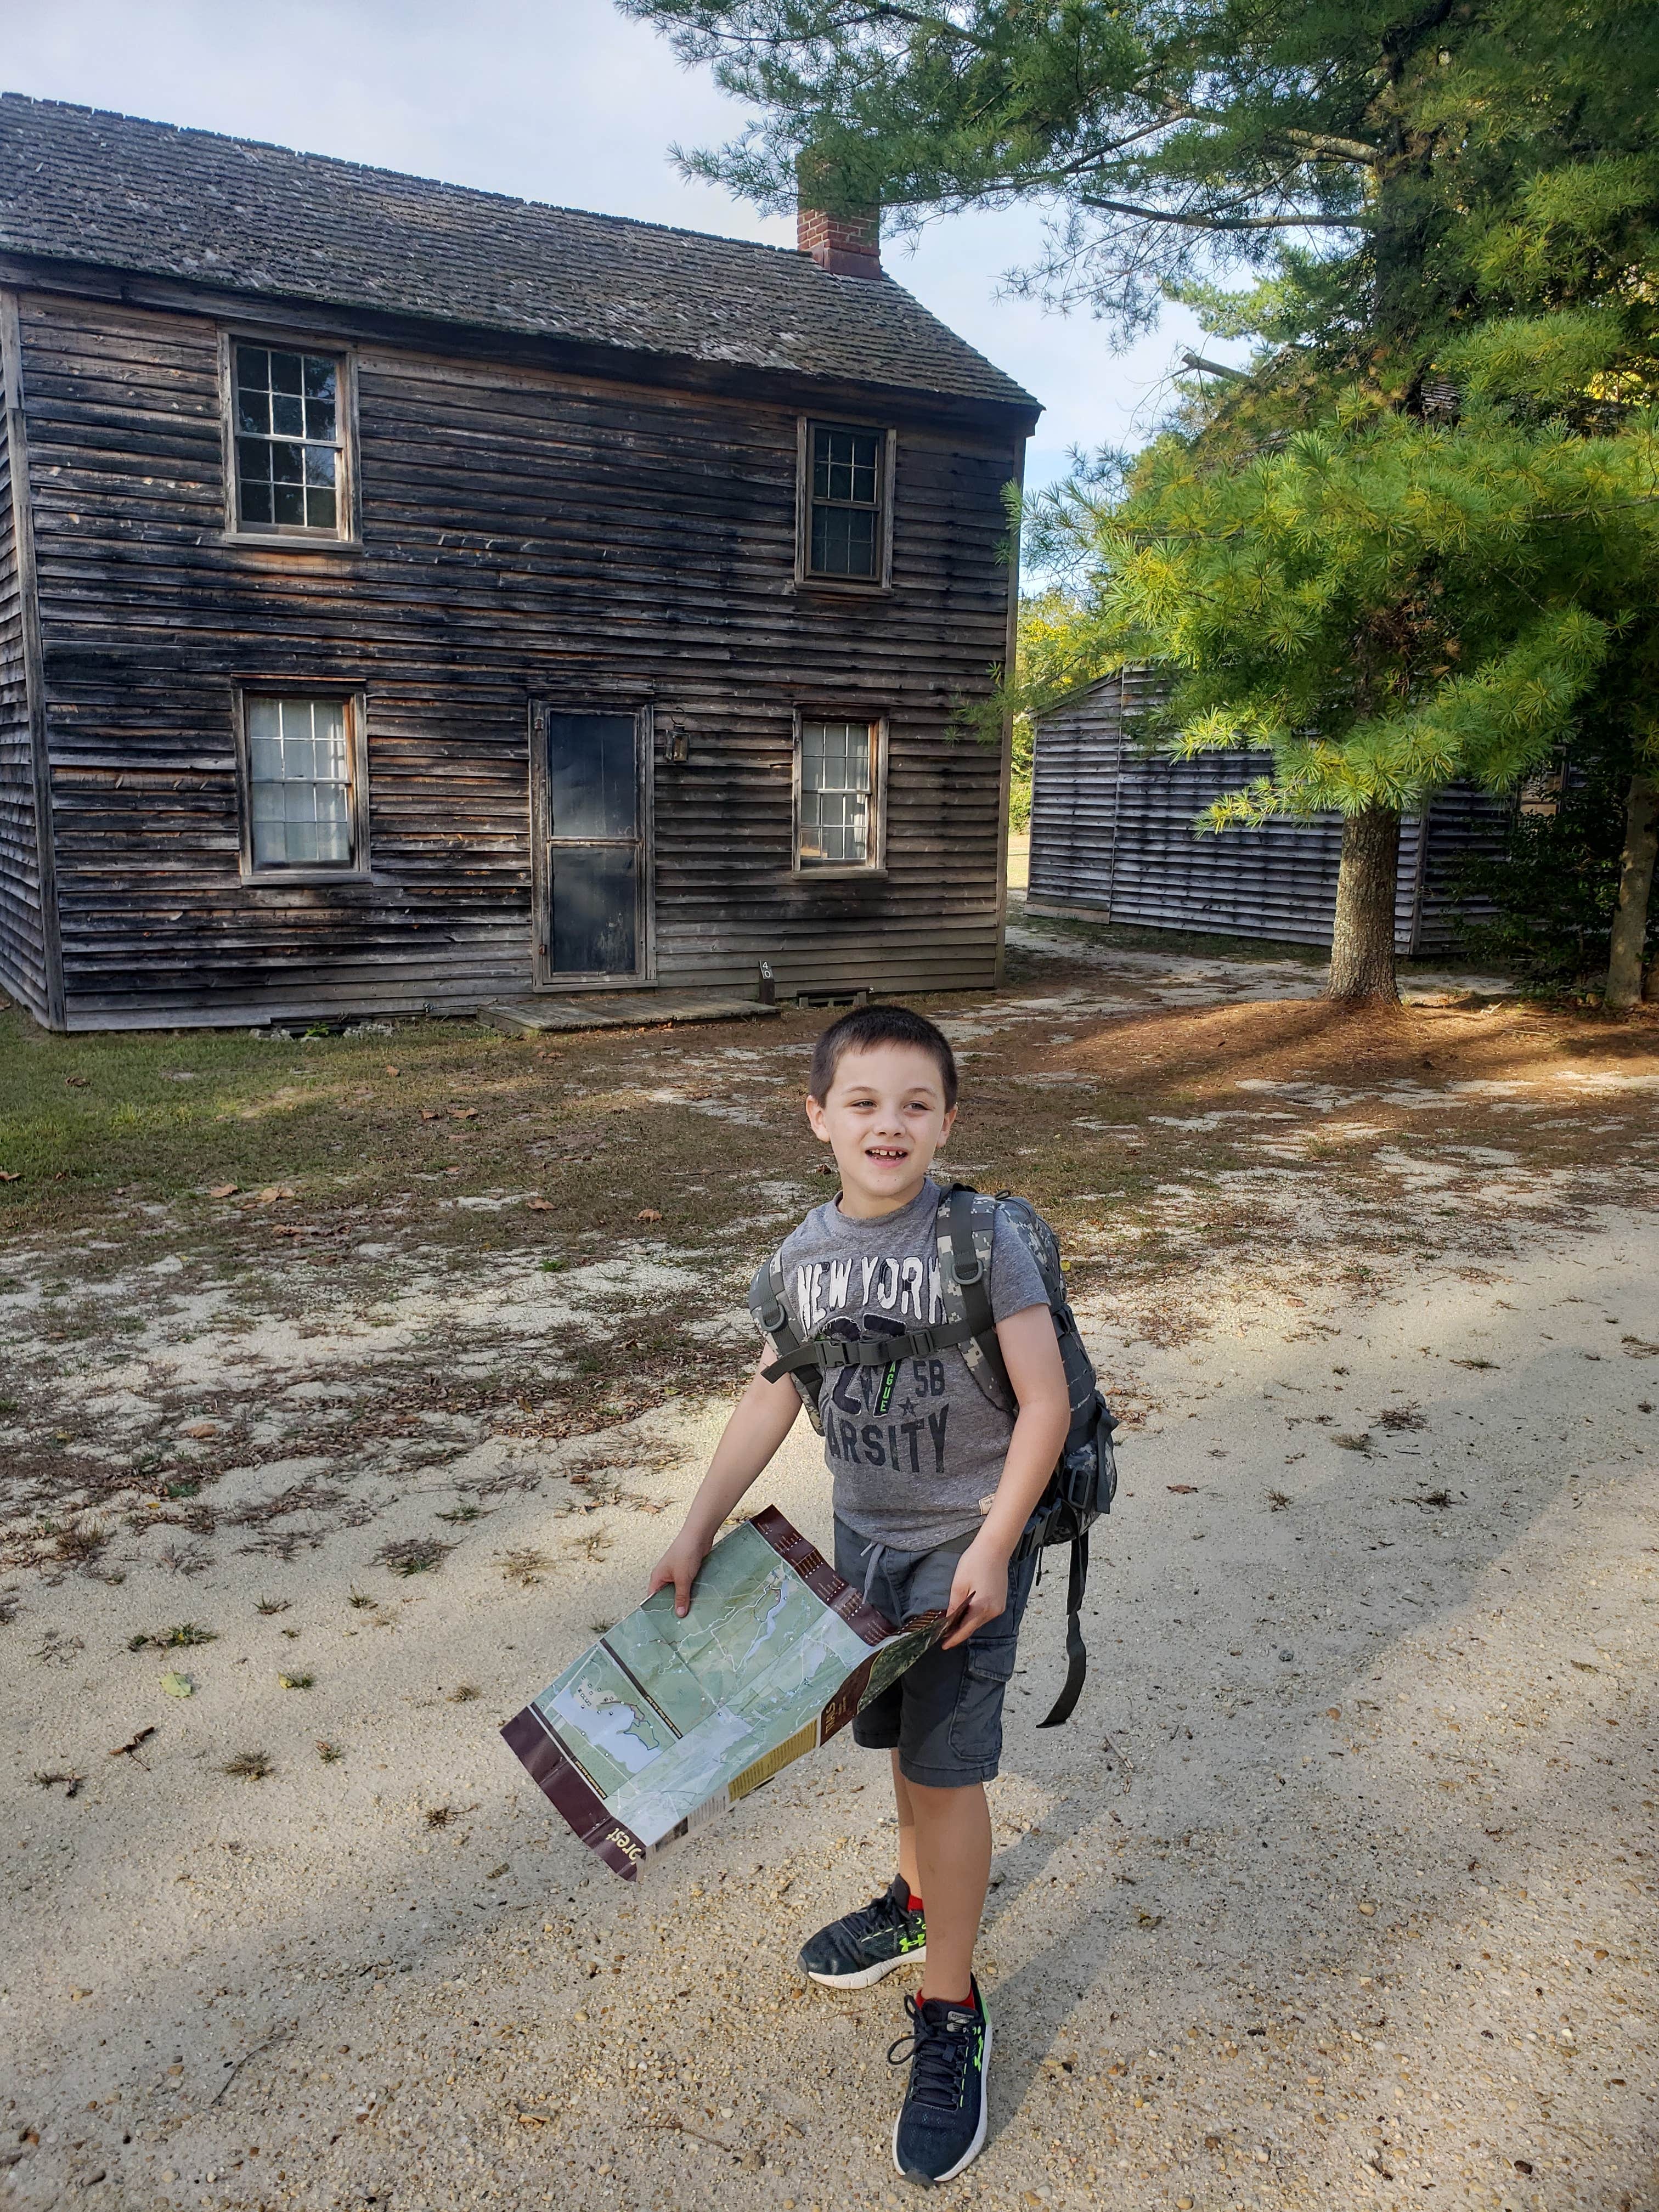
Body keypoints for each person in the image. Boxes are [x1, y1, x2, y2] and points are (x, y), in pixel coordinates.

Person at [647, 1003, 1071, 2185]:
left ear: (948, 1120)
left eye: (916, 1105)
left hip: (966, 1554)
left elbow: (1044, 1404)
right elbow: (772, 1394)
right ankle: (915, 1899)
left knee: (946, 1767)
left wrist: (994, 1545)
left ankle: (952, 2010)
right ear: (819, 1118)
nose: (890, 1125)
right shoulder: (801, 1257)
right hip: (866, 1549)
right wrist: (696, 1527)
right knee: (899, 1748)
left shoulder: (984, 1238)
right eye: (865, 1103)